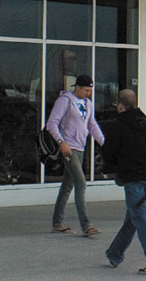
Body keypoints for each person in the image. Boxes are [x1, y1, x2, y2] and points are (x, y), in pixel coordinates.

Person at [102, 88, 146, 274]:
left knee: (139, 217)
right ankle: (114, 254)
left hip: (132, 179)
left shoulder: (118, 126)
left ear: (120, 106)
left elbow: (108, 154)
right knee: (133, 218)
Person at [46, 74, 105, 236]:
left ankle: (57, 222)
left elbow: (92, 124)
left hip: (80, 148)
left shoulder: (88, 104)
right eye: (86, 90)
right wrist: (61, 142)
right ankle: (86, 224)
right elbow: (52, 123)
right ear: (77, 88)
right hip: (68, 148)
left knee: (67, 185)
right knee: (81, 182)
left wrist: (103, 142)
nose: (88, 93)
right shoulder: (65, 101)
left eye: (90, 91)